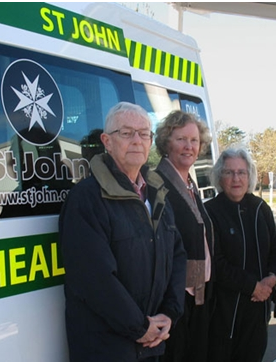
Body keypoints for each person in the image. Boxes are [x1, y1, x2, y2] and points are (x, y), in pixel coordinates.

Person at [59, 102, 186, 362]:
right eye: (126, 133)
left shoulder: (157, 193)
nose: (137, 141)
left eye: (144, 133)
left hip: (152, 345)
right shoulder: (87, 198)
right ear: (107, 141)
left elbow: (177, 255)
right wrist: (140, 327)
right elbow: (94, 279)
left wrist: (169, 314)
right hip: (107, 347)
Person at [205, 148, 276, 362]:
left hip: (259, 311)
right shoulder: (210, 212)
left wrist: (272, 278)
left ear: (249, 176)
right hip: (224, 315)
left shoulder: (261, 208)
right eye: (229, 172)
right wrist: (253, 287)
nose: (236, 178)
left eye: (241, 172)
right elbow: (216, 263)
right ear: (220, 177)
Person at [154, 110, 215, 361]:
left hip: (196, 292)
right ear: (167, 142)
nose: (189, 146)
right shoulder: (156, 182)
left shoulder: (189, 183)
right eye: (181, 139)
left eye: (194, 140)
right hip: (174, 298)